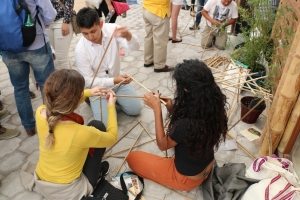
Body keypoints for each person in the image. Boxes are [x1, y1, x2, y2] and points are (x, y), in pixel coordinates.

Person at [127, 59, 228, 191]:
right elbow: (190, 129)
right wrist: (171, 108)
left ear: (186, 89)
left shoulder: (185, 125)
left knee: (132, 158)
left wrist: (157, 109)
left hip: (187, 179)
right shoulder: (213, 104)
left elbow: (163, 145)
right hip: (208, 166)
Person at [34, 69, 118, 199]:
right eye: (81, 93)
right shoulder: (80, 133)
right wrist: (111, 106)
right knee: (98, 126)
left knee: (92, 130)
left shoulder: (41, 112)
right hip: (69, 192)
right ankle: (93, 183)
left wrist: (89, 92)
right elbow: (112, 137)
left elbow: (63, 101)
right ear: (77, 100)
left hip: (41, 182)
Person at [75, 7, 142, 125]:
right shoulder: (80, 49)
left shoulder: (113, 30)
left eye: (93, 31)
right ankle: (92, 99)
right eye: (85, 33)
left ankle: (114, 99)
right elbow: (88, 81)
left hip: (118, 83)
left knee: (135, 110)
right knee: (105, 125)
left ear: (100, 24)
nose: (90, 37)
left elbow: (135, 48)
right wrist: (113, 80)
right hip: (98, 89)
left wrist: (128, 36)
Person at [1, 0, 56, 136]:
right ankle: (50, 123)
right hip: (36, 43)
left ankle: (29, 127)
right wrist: (42, 26)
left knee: (20, 88)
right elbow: (50, 13)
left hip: (8, 49)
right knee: (47, 85)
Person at [143, 0, 174, 72]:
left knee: (148, 37)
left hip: (147, 8)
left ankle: (148, 60)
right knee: (160, 41)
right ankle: (159, 65)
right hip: (159, 11)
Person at [46, 0, 75, 70]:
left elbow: (69, 1)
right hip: (46, 22)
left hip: (61, 20)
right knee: (53, 57)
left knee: (61, 59)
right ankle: (70, 78)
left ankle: (66, 80)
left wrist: (66, 21)